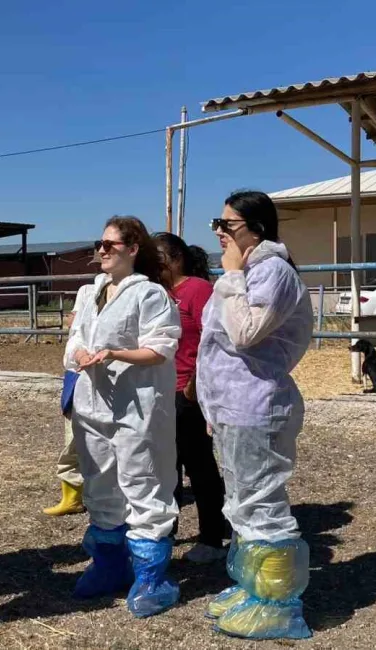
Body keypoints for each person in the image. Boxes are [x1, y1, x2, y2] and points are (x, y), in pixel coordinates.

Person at [197, 190, 315, 640]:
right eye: (218, 225)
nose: (219, 233)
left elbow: (245, 333)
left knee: (262, 505)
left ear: (256, 229)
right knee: (242, 504)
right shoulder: (246, 272)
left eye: (227, 225)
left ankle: (279, 606)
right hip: (232, 408)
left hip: (256, 406)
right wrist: (211, 404)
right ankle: (253, 587)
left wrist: (229, 279)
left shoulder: (273, 272)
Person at [64, 215, 182, 619]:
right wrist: (82, 354)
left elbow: (161, 347)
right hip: (92, 402)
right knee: (100, 482)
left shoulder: (148, 294)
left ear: (132, 249)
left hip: (136, 405)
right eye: (99, 243)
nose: (101, 250)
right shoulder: (89, 293)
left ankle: (150, 575)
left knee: (142, 481)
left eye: (110, 244)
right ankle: (109, 564)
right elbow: (76, 338)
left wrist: (115, 353)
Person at [151, 233, 230, 564]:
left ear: (172, 259)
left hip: (187, 391)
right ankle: (166, 532)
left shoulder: (198, 291)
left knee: (199, 466)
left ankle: (211, 536)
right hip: (163, 391)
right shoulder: (160, 294)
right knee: (166, 466)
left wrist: (196, 383)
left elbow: (212, 342)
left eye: (155, 259)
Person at [42, 283, 94, 517]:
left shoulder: (90, 291)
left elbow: (75, 325)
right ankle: (72, 494)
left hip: (87, 370)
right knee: (73, 432)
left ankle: (77, 493)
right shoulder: (89, 290)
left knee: (78, 437)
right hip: (77, 371)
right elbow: (74, 327)